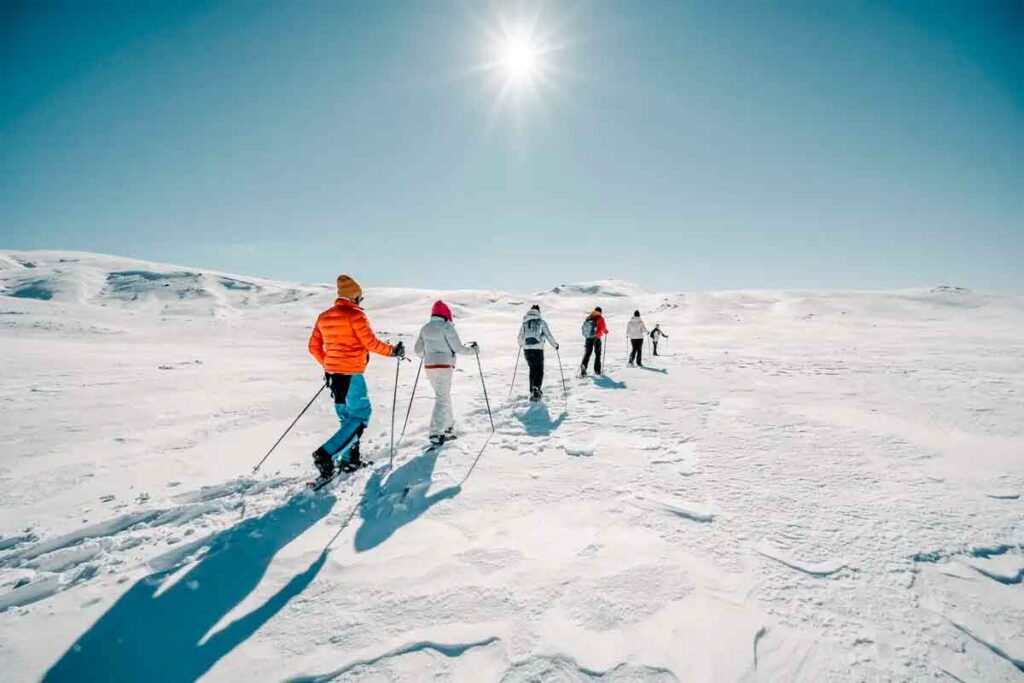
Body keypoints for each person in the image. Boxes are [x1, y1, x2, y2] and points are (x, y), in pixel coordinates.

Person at [308, 274, 404, 482]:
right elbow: (370, 343)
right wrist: (393, 351)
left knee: (346, 417)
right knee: (360, 415)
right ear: (354, 297)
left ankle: (350, 460)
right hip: (351, 373)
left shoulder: (324, 316)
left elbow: (313, 347)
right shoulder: (355, 315)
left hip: (333, 375)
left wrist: (328, 363)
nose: (361, 301)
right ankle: (326, 454)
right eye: (360, 297)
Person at [414, 300, 478, 446]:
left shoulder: (425, 328)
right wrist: (474, 350)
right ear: (446, 314)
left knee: (443, 396)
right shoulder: (447, 327)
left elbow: (418, 350)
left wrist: (429, 354)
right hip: (444, 366)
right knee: (442, 399)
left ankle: (448, 428)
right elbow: (458, 348)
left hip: (429, 367)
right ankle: (436, 433)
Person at [517, 304, 559, 401]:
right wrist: (555, 345)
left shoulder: (524, 323)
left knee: (532, 370)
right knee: (539, 370)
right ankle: (536, 389)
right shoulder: (541, 322)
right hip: (538, 349)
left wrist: (521, 345)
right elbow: (548, 335)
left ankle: (532, 390)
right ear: (538, 312)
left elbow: (520, 337)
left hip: (527, 350)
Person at [579, 306, 608, 377]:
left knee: (587, 353)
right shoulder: (600, 318)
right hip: (596, 338)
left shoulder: (589, 317)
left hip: (588, 338)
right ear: (600, 312)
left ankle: (584, 367)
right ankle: (597, 370)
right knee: (598, 354)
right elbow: (603, 328)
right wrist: (606, 331)